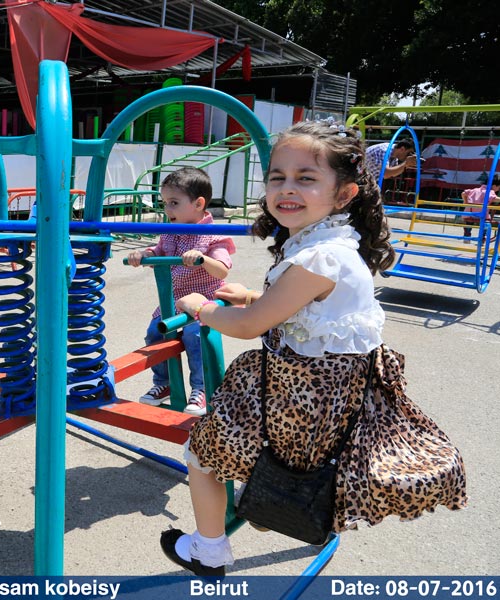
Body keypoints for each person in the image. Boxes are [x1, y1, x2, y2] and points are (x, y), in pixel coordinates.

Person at [161, 121, 467, 576]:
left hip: (303, 397)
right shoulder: (330, 243)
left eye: (306, 178)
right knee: (274, 464)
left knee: (202, 454)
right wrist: (249, 297)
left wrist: (202, 307)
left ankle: (209, 549)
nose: (287, 188)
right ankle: (271, 506)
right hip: (324, 395)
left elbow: (247, 327)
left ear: (344, 194)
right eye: (278, 177)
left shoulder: (319, 256)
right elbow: (300, 308)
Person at [127, 167, 235, 415]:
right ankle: (163, 384)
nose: (167, 209)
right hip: (174, 302)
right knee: (154, 334)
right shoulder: (170, 231)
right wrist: (143, 254)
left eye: (174, 203)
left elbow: (222, 270)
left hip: (202, 303)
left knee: (194, 337)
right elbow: (159, 250)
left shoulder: (213, 236)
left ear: (198, 204)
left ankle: (201, 389)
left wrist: (202, 258)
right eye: (165, 203)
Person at [461, 172, 500, 241]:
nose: (499, 189)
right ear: (494, 186)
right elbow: (495, 199)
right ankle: (482, 238)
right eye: (499, 187)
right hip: (482, 215)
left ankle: (467, 235)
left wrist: (465, 202)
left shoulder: (475, 190)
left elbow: (463, 193)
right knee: (486, 224)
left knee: (468, 223)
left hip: (470, 214)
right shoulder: (490, 192)